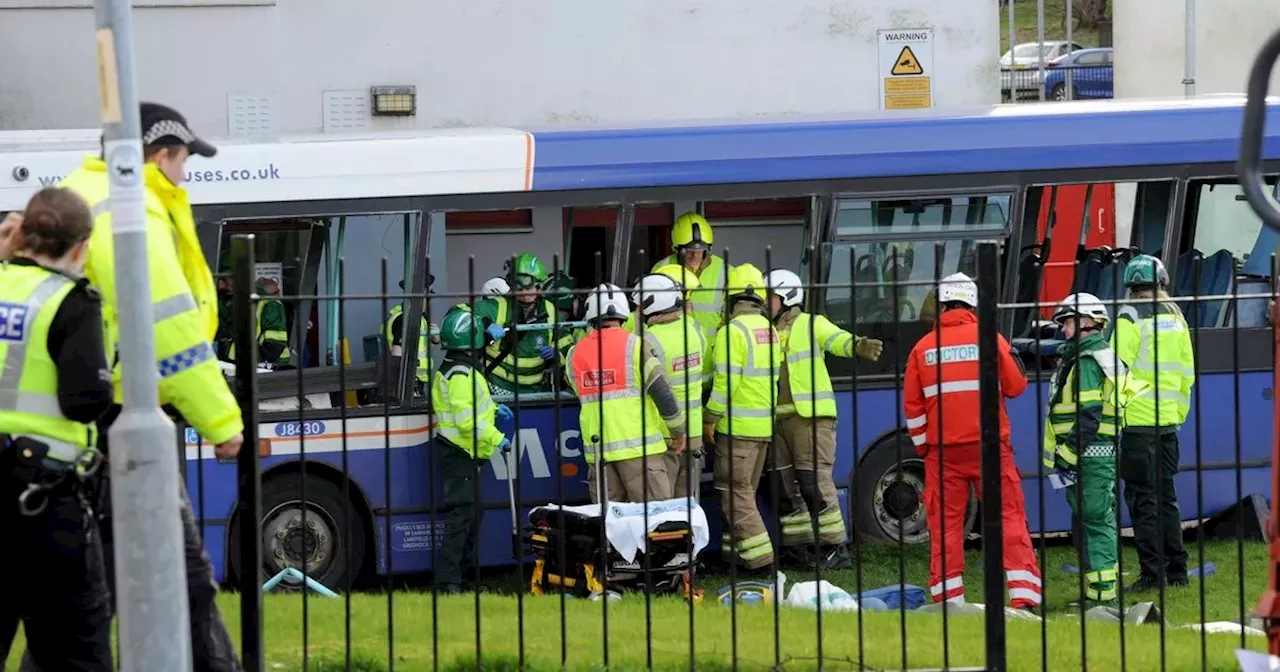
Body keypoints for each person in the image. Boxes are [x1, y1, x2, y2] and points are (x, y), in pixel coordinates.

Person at [59, 101, 244, 671]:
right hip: (124, 412)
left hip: (79, 417)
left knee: (88, 586)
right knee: (178, 575)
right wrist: (222, 420)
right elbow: (166, 324)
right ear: (161, 156)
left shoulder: (74, 194)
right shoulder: (128, 210)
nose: (186, 173)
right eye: (184, 159)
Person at [0, 189, 114, 671]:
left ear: (20, 234)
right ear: (81, 246)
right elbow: (84, 400)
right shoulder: (72, 302)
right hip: (42, 500)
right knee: (73, 652)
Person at [902, 273, 1041, 610]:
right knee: (1008, 516)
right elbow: (1017, 386)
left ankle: (949, 600)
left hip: (943, 455)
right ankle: (1023, 597)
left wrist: (927, 448)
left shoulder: (922, 349)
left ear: (942, 304)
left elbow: (913, 409)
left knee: (946, 525)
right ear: (972, 303)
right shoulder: (988, 339)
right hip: (990, 450)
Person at [764, 269, 884, 570]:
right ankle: (797, 549)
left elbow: (836, 340)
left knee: (813, 481)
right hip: (776, 421)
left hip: (811, 418)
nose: (766, 302)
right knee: (783, 486)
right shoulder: (763, 331)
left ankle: (835, 548)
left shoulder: (810, 323)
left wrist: (857, 345)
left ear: (788, 297)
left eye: (771, 297)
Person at [1043, 292, 1140, 608]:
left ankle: (1101, 600)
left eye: (1067, 322)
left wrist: (1068, 456)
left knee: (1095, 524)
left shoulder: (1086, 362)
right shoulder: (1104, 356)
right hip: (1099, 455)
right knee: (1098, 523)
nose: (1063, 330)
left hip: (1087, 457)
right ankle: (1098, 594)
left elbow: (1089, 415)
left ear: (1087, 322)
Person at [1115, 255, 1193, 592]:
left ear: (1131, 287)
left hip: (1137, 424)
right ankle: (1177, 570)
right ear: (1161, 283)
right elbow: (1187, 374)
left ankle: (1152, 574)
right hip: (1168, 424)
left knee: (1142, 500)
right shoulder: (1177, 318)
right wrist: (1176, 415)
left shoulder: (1129, 316)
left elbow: (1115, 369)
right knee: (1167, 498)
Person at [568, 283, 686, 503]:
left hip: (600, 455)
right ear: (623, 312)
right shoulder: (636, 346)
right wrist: (678, 431)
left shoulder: (574, 354)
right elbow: (663, 394)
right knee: (654, 523)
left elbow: (580, 391)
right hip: (641, 455)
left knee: (612, 526)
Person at [703, 264, 782, 574]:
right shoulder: (770, 330)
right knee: (743, 493)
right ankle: (734, 558)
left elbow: (724, 384)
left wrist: (710, 417)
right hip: (763, 427)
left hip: (737, 430)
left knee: (735, 496)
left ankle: (762, 563)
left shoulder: (731, 332)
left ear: (731, 299)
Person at [431, 306, 513, 593]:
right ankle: (450, 582)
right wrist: (497, 436)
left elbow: (473, 408)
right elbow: (467, 422)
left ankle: (463, 578)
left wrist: (493, 408)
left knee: (470, 515)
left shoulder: (458, 369)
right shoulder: (460, 374)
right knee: (461, 519)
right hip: (460, 453)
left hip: (463, 454)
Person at [632, 272, 707, 500]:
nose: (636, 311)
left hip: (666, 434)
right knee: (688, 503)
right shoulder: (695, 329)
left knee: (664, 505)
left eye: (638, 306)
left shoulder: (648, 340)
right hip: (694, 431)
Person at [473, 254, 574, 395]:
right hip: (498, 388)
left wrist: (557, 356)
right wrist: (485, 323)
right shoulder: (497, 306)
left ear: (539, 288)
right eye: (519, 288)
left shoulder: (551, 313)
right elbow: (462, 312)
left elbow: (569, 350)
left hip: (535, 392)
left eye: (529, 288)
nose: (524, 294)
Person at [651, 212, 733, 345]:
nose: (695, 256)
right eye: (688, 251)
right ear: (676, 248)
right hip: (674, 347)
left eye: (700, 250)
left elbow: (731, 314)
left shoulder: (725, 271)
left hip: (712, 350)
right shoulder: (662, 269)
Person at [385, 275, 437, 392]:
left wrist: (435, 336)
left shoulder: (419, 318)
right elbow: (396, 356)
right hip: (407, 385)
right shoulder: (405, 319)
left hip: (416, 382)